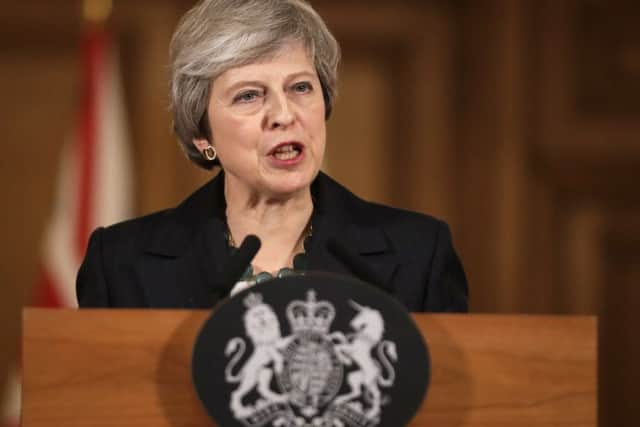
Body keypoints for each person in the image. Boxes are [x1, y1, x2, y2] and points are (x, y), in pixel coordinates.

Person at [76, 0, 468, 312]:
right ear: (201, 134)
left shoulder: (419, 253)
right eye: (249, 95)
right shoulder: (121, 263)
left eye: (300, 87)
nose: (284, 115)